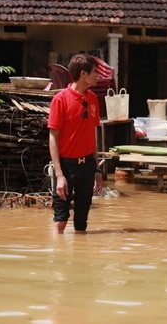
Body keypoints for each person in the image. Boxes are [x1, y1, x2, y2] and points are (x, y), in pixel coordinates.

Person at [48, 54, 102, 234]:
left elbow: (92, 136)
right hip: (66, 166)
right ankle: (57, 258)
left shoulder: (93, 99)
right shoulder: (60, 99)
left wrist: (97, 170)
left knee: (81, 223)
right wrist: (59, 175)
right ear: (83, 74)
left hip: (87, 166)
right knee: (60, 221)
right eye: (95, 72)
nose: (98, 76)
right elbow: (53, 137)